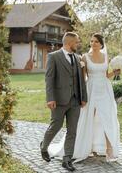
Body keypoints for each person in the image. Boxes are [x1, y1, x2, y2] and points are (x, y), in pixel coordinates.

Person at [48, 33, 120, 163]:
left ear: (101, 44)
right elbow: (83, 77)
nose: (93, 44)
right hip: (91, 89)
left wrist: (114, 73)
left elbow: (105, 75)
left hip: (104, 89)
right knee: (88, 118)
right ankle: (86, 148)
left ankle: (109, 150)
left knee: (106, 118)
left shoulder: (105, 57)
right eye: (91, 41)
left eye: (96, 42)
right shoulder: (85, 57)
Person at [40, 32, 87, 172]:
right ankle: (44, 146)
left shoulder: (78, 58)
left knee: (72, 131)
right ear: (69, 43)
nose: (78, 44)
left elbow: (81, 80)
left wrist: (84, 97)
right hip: (59, 99)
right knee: (56, 126)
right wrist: (50, 98)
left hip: (75, 100)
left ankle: (67, 160)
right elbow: (49, 79)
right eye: (77, 42)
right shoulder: (53, 57)